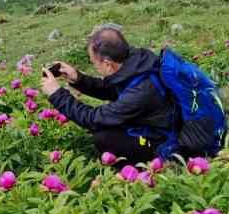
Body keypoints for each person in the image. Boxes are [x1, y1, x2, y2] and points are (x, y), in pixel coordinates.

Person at [40, 23, 176, 165]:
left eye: (94, 63)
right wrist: (78, 79)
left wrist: (56, 94)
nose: (95, 66)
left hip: (162, 140)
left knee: (104, 138)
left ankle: (139, 172)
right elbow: (112, 89)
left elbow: (93, 120)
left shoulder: (140, 91)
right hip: (155, 122)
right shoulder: (136, 63)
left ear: (107, 63)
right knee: (108, 126)